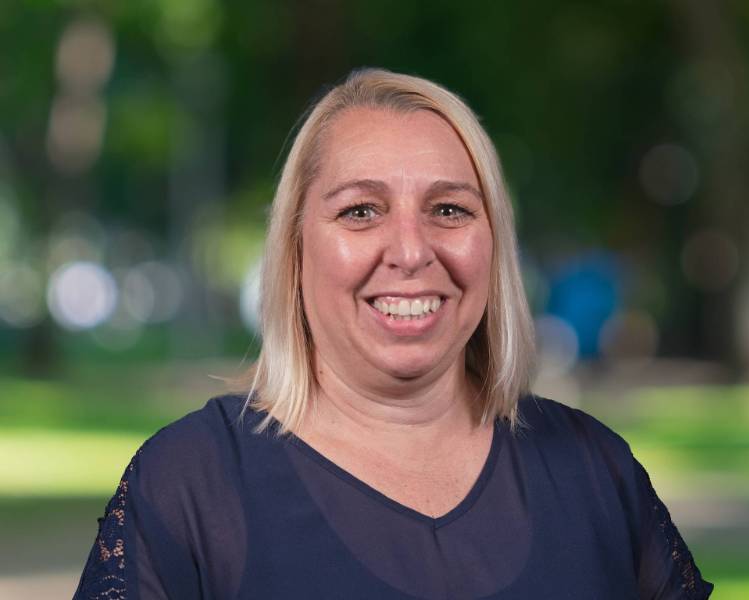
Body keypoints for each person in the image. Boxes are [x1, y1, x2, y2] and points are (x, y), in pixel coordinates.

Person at [74, 68, 713, 599]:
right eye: (360, 211)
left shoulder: (595, 471)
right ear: (296, 252)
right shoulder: (191, 485)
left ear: (494, 247)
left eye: (449, 210)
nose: (410, 251)